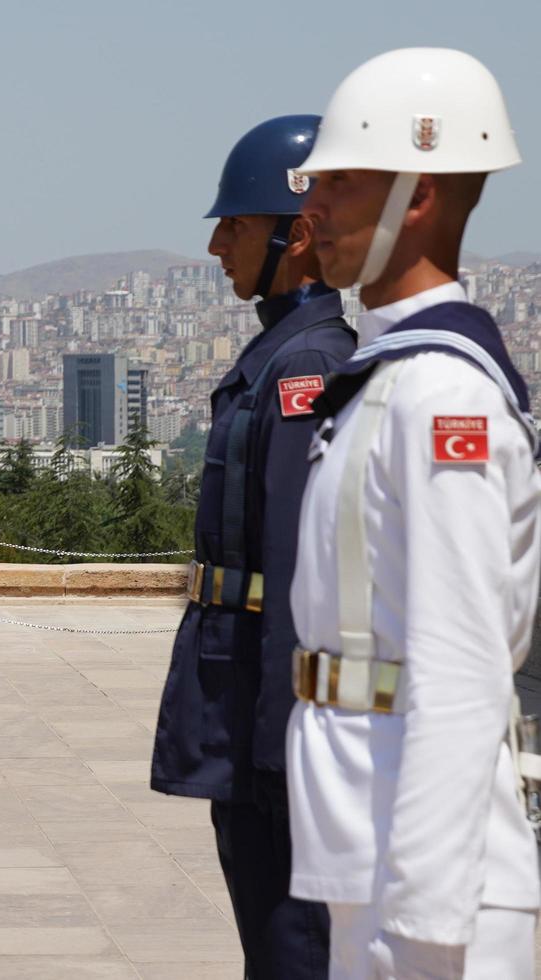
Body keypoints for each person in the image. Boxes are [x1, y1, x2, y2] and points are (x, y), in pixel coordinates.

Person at [286, 48, 540, 978]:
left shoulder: (441, 399)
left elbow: (463, 667)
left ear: (418, 196)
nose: (312, 205)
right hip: (370, 844)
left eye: (341, 180)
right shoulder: (393, 378)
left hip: (428, 875)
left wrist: (429, 915)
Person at [150, 116, 353, 977]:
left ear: (295, 234)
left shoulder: (308, 367)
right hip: (244, 708)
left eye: (232, 223)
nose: (214, 245)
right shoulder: (277, 356)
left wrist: (281, 755)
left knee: (291, 951)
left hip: (270, 724)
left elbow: (301, 576)